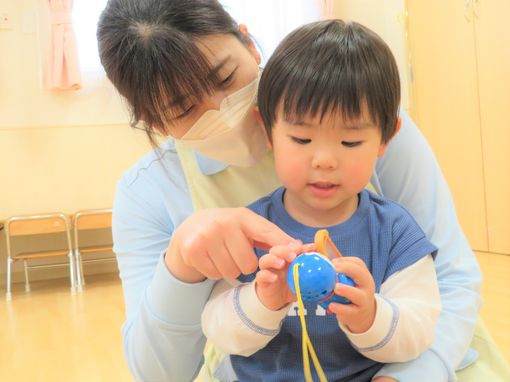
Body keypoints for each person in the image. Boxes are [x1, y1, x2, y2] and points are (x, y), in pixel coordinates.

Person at [97, 1, 482, 381]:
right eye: (184, 109)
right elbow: (160, 373)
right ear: (153, 120)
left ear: (248, 42)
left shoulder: (359, 117)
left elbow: (450, 277)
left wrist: (408, 373)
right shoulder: (147, 190)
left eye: (225, 77)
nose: (222, 110)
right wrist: (181, 263)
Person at [201, 19, 441, 381]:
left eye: (350, 142)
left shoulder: (394, 231)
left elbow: (419, 330)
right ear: (267, 130)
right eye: (300, 139)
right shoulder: (253, 229)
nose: (324, 160)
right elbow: (219, 329)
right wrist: (265, 300)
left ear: (385, 137)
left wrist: (370, 317)